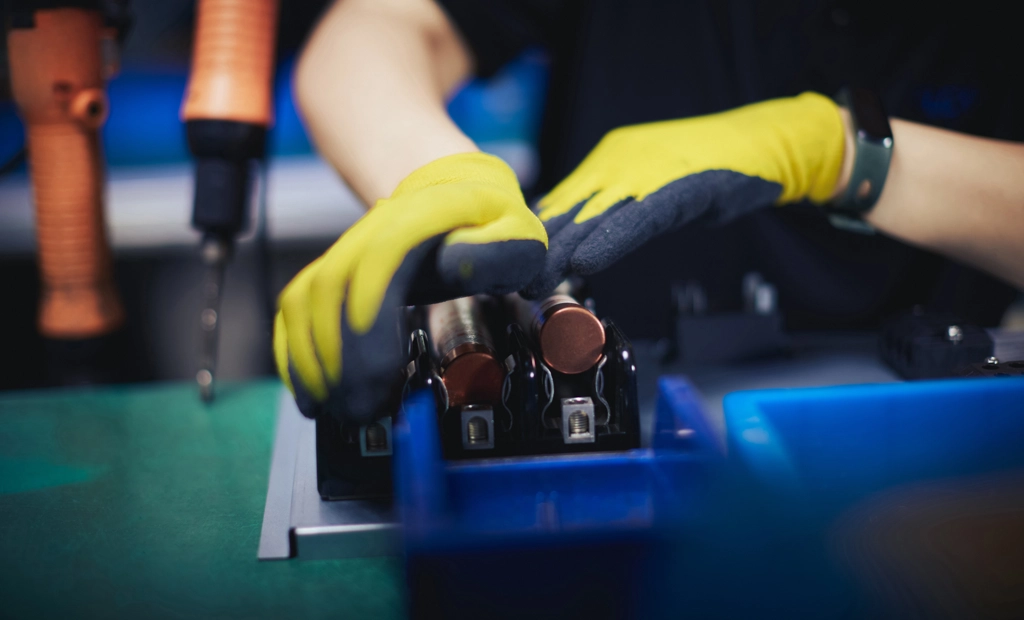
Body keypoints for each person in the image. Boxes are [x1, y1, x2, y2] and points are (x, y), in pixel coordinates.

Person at [274, 0, 1024, 421]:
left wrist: (839, 154)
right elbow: (380, 26)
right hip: (595, 412)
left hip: (934, 437)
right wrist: (433, 173)